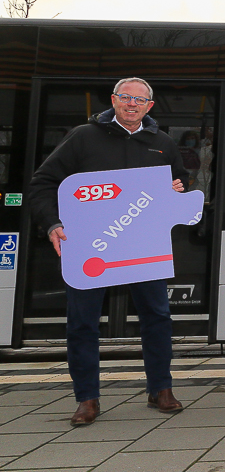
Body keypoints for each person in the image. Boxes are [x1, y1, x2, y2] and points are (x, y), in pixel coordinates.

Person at [28, 77, 189, 426]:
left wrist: (178, 189)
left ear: (150, 106)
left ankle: (160, 388)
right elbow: (42, 182)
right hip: (90, 247)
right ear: (113, 100)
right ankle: (87, 399)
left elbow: (180, 186)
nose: (132, 104)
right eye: (126, 97)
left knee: (157, 318)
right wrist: (52, 224)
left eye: (140, 99)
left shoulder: (162, 143)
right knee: (83, 323)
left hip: (143, 246)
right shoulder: (83, 136)